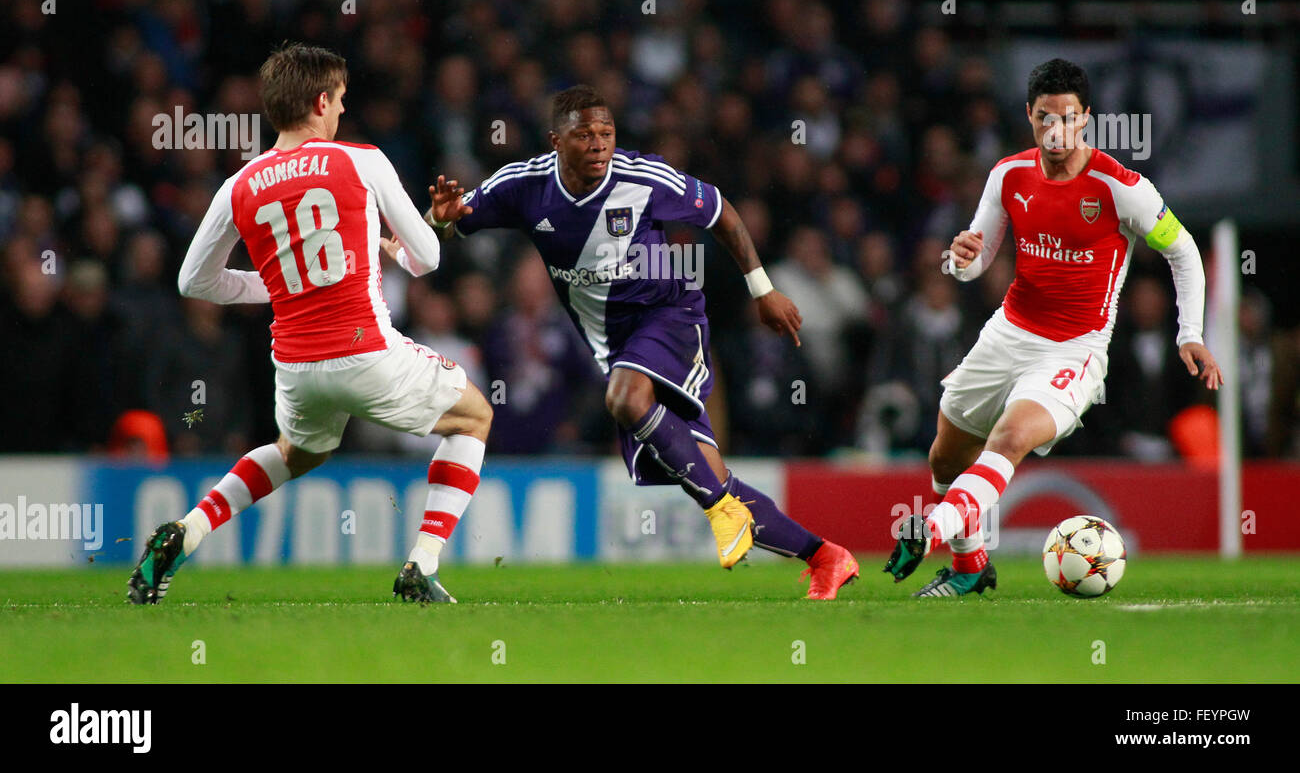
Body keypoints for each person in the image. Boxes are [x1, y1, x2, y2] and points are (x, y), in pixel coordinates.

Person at [420, 85, 859, 599]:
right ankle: (827, 556)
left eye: (606, 133)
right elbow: (447, 229)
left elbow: (721, 212)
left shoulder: (642, 177)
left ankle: (722, 512)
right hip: (613, 343)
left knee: (626, 400)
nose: (599, 144)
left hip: (670, 317)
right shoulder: (523, 186)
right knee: (708, 474)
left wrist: (762, 289)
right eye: (584, 135)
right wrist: (438, 221)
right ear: (555, 141)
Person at [127, 43, 493, 605]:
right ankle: (422, 563)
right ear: (322, 101)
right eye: (341, 100)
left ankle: (189, 530)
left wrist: (273, 287)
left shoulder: (240, 185)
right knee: (473, 417)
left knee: (299, 453)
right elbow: (428, 260)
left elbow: (193, 283)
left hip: (296, 367)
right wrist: (433, 225)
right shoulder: (362, 160)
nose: (343, 111)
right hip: (367, 352)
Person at [885, 58, 1223, 597]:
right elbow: (973, 262)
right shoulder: (1009, 175)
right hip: (1008, 332)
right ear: (1030, 115)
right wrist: (956, 259)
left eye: (1067, 118)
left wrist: (1190, 333)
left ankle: (931, 530)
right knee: (945, 457)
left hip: (1074, 350)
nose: (1056, 130)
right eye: (1046, 117)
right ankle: (971, 568)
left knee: (1012, 436)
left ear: (1086, 118)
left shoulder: (1121, 187)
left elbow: (1183, 251)